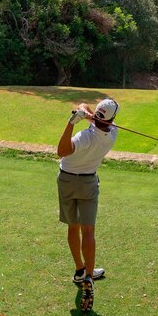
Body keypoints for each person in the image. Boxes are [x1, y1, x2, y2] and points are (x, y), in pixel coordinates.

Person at [56, 97, 119, 285]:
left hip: (66, 180)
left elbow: (62, 150)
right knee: (88, 230)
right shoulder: (113, 133)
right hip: (88, 183)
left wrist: (71, 124)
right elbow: (87, 110)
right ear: (111, 120)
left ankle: (79, 271)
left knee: (73, 226)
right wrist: (85, 112)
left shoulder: (83, 137)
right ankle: (89, 276)